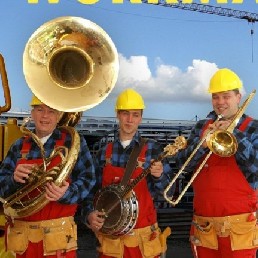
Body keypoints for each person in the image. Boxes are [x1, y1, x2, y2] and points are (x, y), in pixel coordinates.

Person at [175, 68, 258, 258]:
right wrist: (201, 144)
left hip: (240, 229)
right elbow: (181, 168)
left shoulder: (254, 128)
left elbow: (256, 167)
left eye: (226, 96)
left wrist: (234, 134)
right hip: (204, 227)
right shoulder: (200, 127)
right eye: (216, 97)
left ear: (239, 97)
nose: (220, 102)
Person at [0, 95, 96, 258]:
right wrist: (13, 180)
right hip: (24, 241)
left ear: (58, 115)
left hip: (58, 240)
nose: (45, 116)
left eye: (51, 111)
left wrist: (67, 193)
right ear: (32, 113)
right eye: (40, 110)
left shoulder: (71, 143)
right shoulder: (18, 146)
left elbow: (89, 180)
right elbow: (2, 188)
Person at [81, 88, 172, 258]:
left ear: (141, 118)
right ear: (117, 114)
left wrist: (159, 176)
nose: (130, 120)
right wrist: (89, 214)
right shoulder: (103, 152)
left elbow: (170, 192)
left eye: (135, 115)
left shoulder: (153, 150)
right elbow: (89, 192)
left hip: (144, 241)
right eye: (125, 114)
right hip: (111, 243)